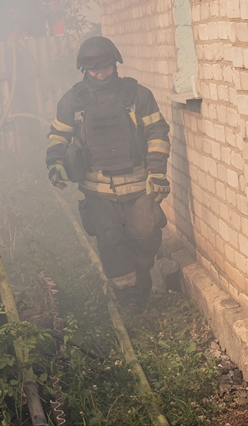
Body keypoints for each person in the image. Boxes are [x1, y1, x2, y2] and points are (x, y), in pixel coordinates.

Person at [46, 35, 171, 316]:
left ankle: (141, 274)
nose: (99, 72)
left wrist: (157, 171)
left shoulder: (137, 96)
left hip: (138, 184)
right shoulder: (73, 102)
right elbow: (57, 135)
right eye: (92, 68)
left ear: (115, 63)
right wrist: (55, 162)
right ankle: (128, 297)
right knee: (112, 241)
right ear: (84, 69)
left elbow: (157, 132)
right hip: (98, 190)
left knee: (145, 234)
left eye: (105, 66)